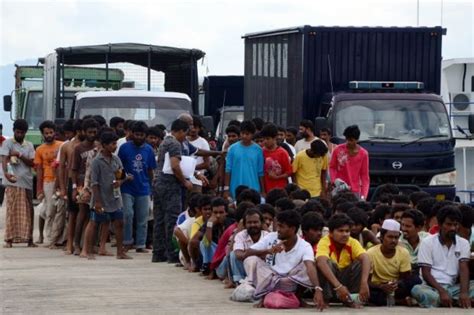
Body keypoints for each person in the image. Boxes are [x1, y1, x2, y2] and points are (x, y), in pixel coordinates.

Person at [242, 209, 325, 310]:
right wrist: (268, 251)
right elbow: (247, 253)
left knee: (309, 264)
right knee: (251, 260)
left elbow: (310, 267)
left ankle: (298, 297)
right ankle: (264, 296)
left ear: (293, 229)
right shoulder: (271, 237)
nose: (278, 229)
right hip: (271, 280)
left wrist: (317, 288)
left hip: (291, 282)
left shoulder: (304, 246)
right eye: (278, 225)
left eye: (281, 226)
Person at [411, 206, 474, 308]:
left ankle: (448, 301)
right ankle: (455, 301)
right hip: (432, 287)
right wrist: (442, 291)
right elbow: (426, 273)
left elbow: (463, 269)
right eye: (449, 224)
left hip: (453, 288)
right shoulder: (427, 242)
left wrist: (464, 293)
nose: (453, 228)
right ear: (440, 225)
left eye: (455, 224)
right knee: (417, 290)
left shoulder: (463, 243)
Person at [84, 131, 132, 260]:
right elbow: (94, 183)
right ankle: (89, 251)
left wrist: (120, 182)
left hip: (115, 197)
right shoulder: (97, 161)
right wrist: (98, 201)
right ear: (104, 145)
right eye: (112, 144)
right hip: (100, 197)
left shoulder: (116, 159)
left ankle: (120, 252)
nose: (115, 146)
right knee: (95, 223)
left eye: (115, 143)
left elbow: (121, 175)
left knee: (119, 223)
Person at [153, 119, 194, 263]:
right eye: (185, 133)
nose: (186, 137)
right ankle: (172, 254)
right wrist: (185, 181)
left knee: (159, 220)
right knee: (172, 219)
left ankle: (158, 253)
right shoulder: (175, 144)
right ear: (181, 131)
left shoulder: (165, 141)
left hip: (158, 184)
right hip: (170, 185)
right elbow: (175, 165)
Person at [316, 213, 371, 307]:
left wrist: (364, 283)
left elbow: (365, 258)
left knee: (360, 263)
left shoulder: (352, 242)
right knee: (327, 263)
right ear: (331, 232)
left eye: (347, 231)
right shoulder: (325, 241)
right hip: (332, 285)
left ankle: (350, 299)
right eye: (340, 231)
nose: (345, 234)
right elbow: (321, 262)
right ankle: (326, 299)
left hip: (345, 283)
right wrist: (338, 286)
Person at [118, 121, 157, 253]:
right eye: (136, 134)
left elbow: (151, 170)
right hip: (127, 188)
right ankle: (127, 241)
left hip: (143, 188)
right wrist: (122, 179)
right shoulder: (124, 148)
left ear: (145, 135)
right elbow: (118, 167)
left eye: (141, 135)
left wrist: (152, 187)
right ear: (132, 134)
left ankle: (141, 244)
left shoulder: (149, 150)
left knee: (143, 217)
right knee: (128, 214)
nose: (139, 137)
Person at [1, 119, 36, 248]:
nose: (19, 134)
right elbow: (4, 159)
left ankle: (29, 239)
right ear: (14, 131)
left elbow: (32, 163)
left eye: (22, 132)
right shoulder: (7, 143)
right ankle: (9, 239)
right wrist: (5, 173)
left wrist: (20, 155)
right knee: (12, 210)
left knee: (29, 211)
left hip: (26, 182)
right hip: (12, 182)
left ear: (25, 133)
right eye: (17, 132)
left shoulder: (29, 145)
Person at [367, 219, 416, 306]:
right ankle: (400, 302)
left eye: (396, 237)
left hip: (396, 287)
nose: (393, 240)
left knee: (415, 280)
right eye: (390, 237)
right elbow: (367, 280)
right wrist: (382, 286)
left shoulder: (403, 252)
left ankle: (391, 300)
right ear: (382, 237)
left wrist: (395, 284)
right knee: (369, 293)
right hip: (379, 288)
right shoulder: (370, 253)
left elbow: (405, 277)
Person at [71, 118, 99, 255]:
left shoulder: (98, 146)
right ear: (84, 132)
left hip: (96, 184)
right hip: (83, 184)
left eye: (94, 131)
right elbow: (74, 170)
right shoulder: (78, 148)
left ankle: (91, 244)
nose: (92, 134)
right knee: (82, 215)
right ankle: (77, 244)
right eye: (90, 132)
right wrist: (74, 187)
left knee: (95, 216)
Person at [34, 120, 63, 247]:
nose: (49, 135)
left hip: (61, 180)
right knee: (50, 210)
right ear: (43, 134)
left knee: (61, 210)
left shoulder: (62, 146)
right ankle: (50, 237)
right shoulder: (40, 150)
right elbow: (39, 170)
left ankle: (60, 237)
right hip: (48, 182)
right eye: (46, 133)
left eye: (51, 132)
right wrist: (39, 189)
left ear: (55, 133)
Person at [58, 119, 83, 254]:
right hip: (71, 182)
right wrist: (62, 188)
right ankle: (69, 244)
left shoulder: (90, 145)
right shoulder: (67, 146)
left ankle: (82, 244)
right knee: (72, 215)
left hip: (85, 182)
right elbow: (61, 167)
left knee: (85, 215)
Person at [224, 121, 264, 199]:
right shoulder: (232, 149)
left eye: (247, 134)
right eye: (242, 133)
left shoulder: (258, 150)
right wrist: (226, 189)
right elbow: (228, 170)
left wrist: (263, 191)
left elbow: (260, 172)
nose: (244, 136)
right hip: (235, 188)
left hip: (254, 188)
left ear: (252, 134)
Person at [329, 125, 369, 200]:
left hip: (355, 191)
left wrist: (363, 196)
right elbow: (332, 167)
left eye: (351, 140)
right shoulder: (338, 150)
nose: (348, 142)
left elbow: (364, 176)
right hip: (340, 189)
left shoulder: (363, 154)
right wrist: (334, 181)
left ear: (357, 140)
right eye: (346, 139)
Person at [230, 208, 268, 284]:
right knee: (233, 254)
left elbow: (270, 256)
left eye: (255, 222)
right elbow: (238, 254)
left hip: (262, 270)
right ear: (244, 224)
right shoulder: (240, 235)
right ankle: (239, 281)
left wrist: (248, 253)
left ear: (261, 223)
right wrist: (259, 253)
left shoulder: (267, 236)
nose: (252, 225)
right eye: (249, 222)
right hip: (245, 269)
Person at [199, 197, 235, 276]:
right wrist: (209, 226)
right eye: (215, 212)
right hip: (215, 256)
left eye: (221, 212)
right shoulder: (210, 223)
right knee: (203, 243)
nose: (218, 215)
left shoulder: (231, 224)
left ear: (226, 213)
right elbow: (207, 243)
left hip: (224, 256)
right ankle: (208, 266)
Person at [261, 123, 292, 194]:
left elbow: (289, 172)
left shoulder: (283, 153)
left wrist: (277, 177)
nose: (265, 141)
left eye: (268, 139)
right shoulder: (261, 152)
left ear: (275, 138)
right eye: (264, 139)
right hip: (266, 191)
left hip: (280, 190)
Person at [187, 115, 211, 193]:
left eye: (196, 127)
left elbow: (207, 164)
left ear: (200, 128)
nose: (193, 129)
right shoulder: (183, 140)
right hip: (183, 180)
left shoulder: (203, 142)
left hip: (197, 181)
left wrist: (191, 169)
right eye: (192, 126)